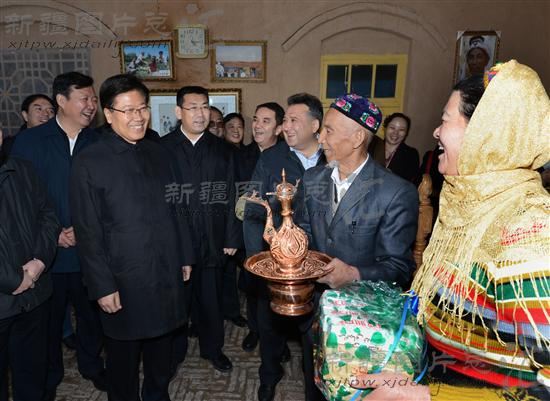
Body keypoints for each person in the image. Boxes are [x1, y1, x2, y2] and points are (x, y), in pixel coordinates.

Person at [355, 61, 550, 400]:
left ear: (484, 133)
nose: (435, 132)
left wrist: (424, 397)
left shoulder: (529, 230)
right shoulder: (470, 207)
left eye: (445, 120)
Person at [70, 73, 194, 401]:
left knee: (161, 354)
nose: (138, 117)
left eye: (143, 108)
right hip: (123, 279)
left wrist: (184, 255)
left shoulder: (160, 153)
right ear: (109, 114)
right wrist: (102, 285)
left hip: (165, 271)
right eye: (128, 110)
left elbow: (178, 207)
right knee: (123, 362)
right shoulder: (89, 162)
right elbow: (88, 231)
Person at [10, 71, 106, 400]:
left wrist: (85, 228)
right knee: (47, 325)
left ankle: (92, 366)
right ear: (61, 101)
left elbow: (109, 196)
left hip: (90, 252)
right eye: (84, 98)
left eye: (93, 99)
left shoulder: (100, 142)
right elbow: (20, 200)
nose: (91, 105)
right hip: (44, 254)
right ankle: (49, 377)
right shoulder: (30, 142)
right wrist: (52, 235)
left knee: (92, 318)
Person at [243, 93, 325, 401]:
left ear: (315, 126)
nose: (286, 127)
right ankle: (269, 375)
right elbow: (253, 210)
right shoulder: (272, 158)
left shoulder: (332, 157)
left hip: (318, 267)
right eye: (285, 120)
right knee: (269, 329)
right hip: (276, 264)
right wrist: (258, 261)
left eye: (293, 120)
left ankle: (313, 385)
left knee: (314, 335)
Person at [161, 86, 241, 373]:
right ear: (178, 112)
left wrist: (232, 236)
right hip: (175, 239)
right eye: (193, 107)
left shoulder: (222, 149)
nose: (200, 113)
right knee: (177, 302)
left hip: (212, 237)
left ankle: (212, 349)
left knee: (211, 299)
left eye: (205, 106)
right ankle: (174, 352)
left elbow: (232, 194)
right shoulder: (161, 149)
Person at [0, 131, 60, 401]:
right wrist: (13, 279)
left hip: (34, 297)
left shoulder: (22, 169)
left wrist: (39, 261)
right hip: (6, 296)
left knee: (33, 378)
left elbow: (48, 216)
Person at [238, 102, 284, 353]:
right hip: (250, 234)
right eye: (255, 119)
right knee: (254, 287)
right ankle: (255, 329)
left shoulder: (288, 157)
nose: (257, 125)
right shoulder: (241, 155)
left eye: (266, 121)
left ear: (279, 128)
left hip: (280, 237)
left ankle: (278, 338)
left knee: (278, 290)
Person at [0, 94, 55, 160]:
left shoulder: (59, 142)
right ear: (25, 115)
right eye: (39, 109)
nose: (46, 114)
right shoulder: (10, 145)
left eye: (51, 111)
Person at [371, 112, 420, 182]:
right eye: (392, 128)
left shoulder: (411, 154)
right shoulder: (372, 146)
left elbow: (410, 183)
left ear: (406, 133)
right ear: (385, 128)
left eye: (401, 130)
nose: (395, 133)